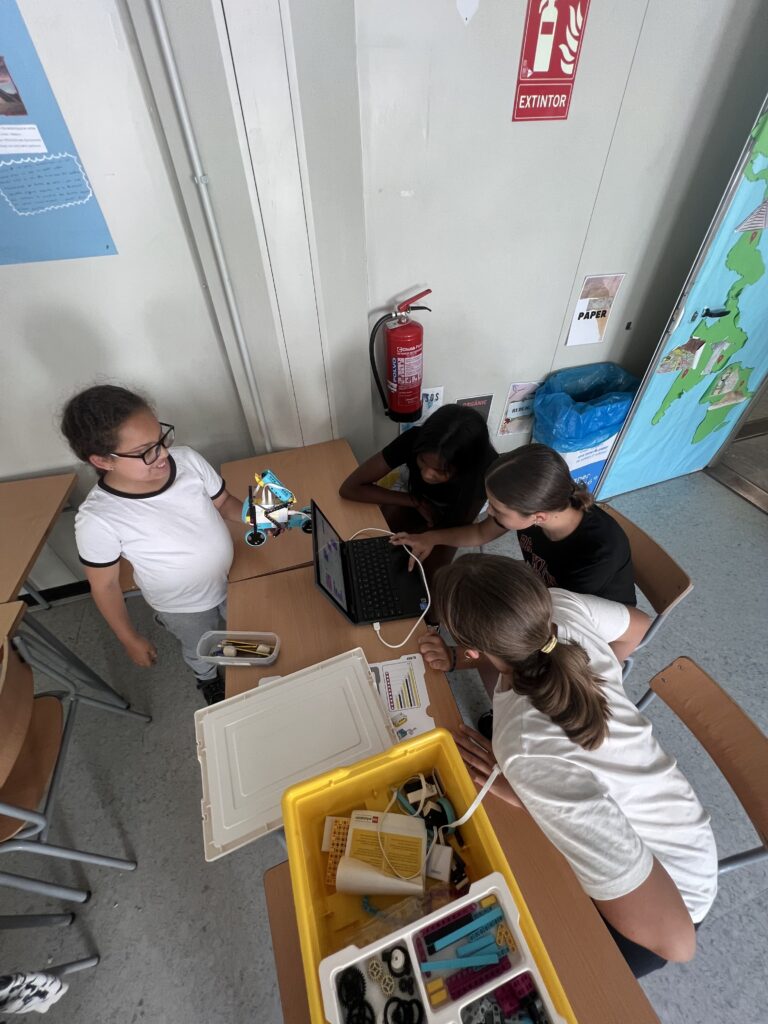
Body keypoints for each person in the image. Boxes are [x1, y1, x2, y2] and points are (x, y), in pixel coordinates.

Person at [421, 554, 717, 978]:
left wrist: (534, 786)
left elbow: (678, 942)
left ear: (471, 650)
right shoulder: (560, 605)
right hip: (684, 838)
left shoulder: (525, 746)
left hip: (669, 903)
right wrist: (592, 691)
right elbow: (639, 628)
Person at [60, 384, 244, 705]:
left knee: (242, 626)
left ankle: (233, 650)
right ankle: (206, 676)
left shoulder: (187, 461)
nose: (163, 454)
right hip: (183, 604)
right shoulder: (98, 518)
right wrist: (129, 638)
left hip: (231, 576)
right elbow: (105, 586)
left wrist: (261, 517)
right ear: (103, 460)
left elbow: (225, 502)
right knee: (202, 644)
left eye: (161, 439)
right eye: (146, 450)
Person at [392, 442, 635, 605]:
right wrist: (429, 538)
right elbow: (480, 533)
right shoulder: (543, 503)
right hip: (544, 590)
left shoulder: (596, 554)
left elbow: (558, 617)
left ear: (538, 517)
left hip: (585, 621)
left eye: (497, 509)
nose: (489, 512)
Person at [339, 404, 497, 582]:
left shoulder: (485, 472)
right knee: (377, 543)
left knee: (430, 576)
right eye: (422, 460)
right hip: (415, 495)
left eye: (441, 471)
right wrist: (415, 501)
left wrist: (431, 537)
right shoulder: (414, 439)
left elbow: (462, 525)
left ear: (465, 468)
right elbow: (350, 488)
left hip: (455, 513)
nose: (427, 474)